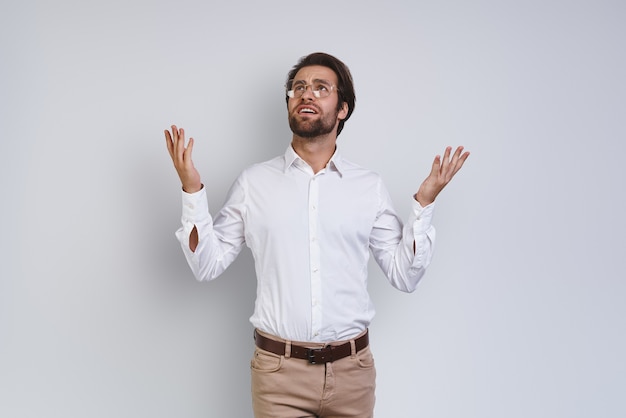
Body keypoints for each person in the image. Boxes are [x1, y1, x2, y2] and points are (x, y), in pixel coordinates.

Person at [165, 52, 469, 418]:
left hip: (352, 374)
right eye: (298, 88)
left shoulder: (368, 187)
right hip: (279, 376)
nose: (306, 94)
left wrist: (424, 203)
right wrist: (193, 191)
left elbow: (405, 276)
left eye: (320, 88)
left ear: (342, 108)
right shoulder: (253, 184)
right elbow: (206, 265)